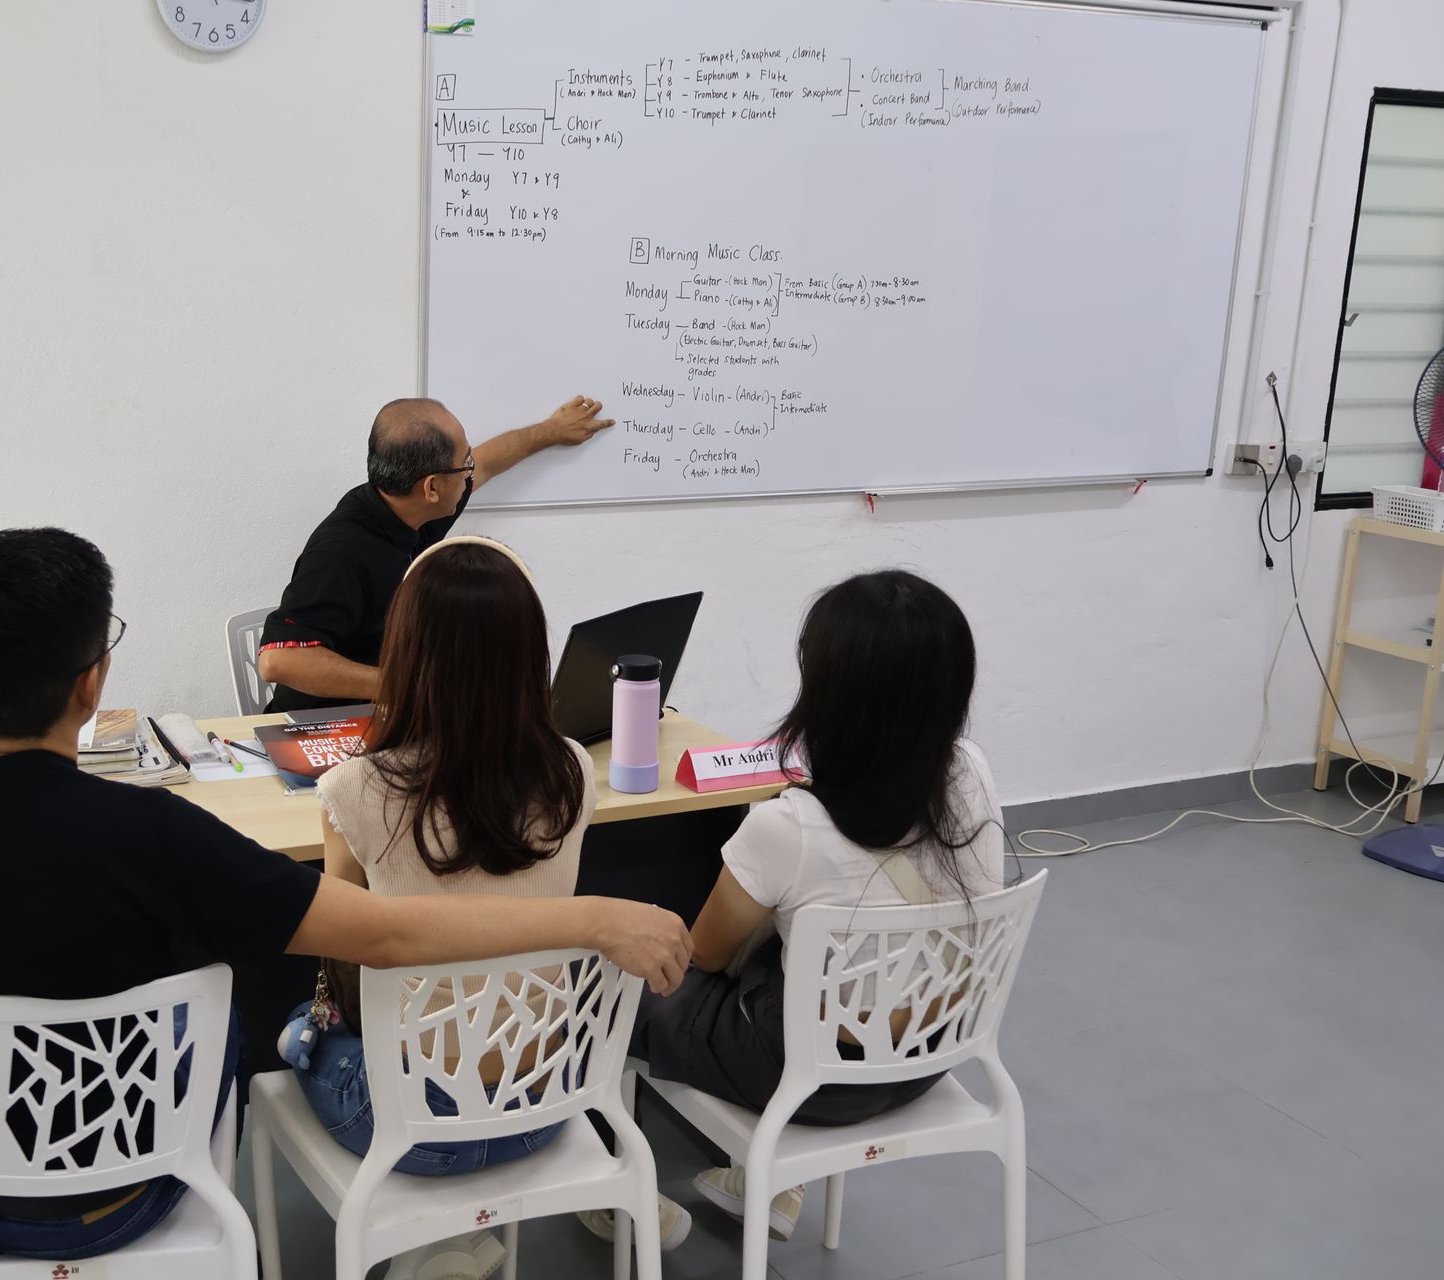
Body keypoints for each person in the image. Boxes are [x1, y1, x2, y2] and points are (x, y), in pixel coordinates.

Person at [0, 528, 690, 1263]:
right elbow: (380, 935)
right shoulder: (158, 833)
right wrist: (599, 918)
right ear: (93, 682)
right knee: (222, 1021)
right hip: (124, 1194)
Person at [285, 536, 671, 1279]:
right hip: (547, 1105)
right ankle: (469, 1235)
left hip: (413, 1129)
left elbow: (347, 959)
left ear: (403, 652)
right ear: (530, 653)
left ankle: (443, 1243)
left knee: (300, 1030)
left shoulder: (354, 792)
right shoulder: (573, 771)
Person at [611, 570, 1006, 1244]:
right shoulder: (970, 770)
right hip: (929, 1058)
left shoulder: (789, 826)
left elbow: (703, 953)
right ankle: (772, 1187)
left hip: (808, 1080)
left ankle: (613, 1197)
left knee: (621, 985)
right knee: (791, 953)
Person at [258, 395, 612, 713]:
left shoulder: (410, 506)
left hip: (387, 715)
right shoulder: (341, 554)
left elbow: (488, 462)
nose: (472, 470)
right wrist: (409, 687)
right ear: (431, 487)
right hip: (322, 726)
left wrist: (551, 431)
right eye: (465, 463)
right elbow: (279, 660)